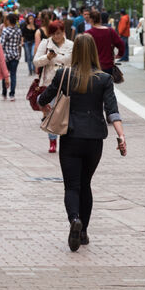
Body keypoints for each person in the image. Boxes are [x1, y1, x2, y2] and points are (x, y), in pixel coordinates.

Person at [37, 34, 126, 252]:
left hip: (71, 136)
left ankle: (74, 219)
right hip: (95, 138)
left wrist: (45, 107)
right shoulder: (104, 79)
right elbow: (112, 110)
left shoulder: (64, 74)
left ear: (75, 51)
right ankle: (84, 231)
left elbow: (42, 99)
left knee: (72, 186)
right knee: (86, 184)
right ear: (94, 52)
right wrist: (121, 136)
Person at [33, 19, 73, 154]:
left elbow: (74, 62)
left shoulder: (71, 45)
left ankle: (66, 139)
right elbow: (36, 62)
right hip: (50, 83)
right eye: (54, 33)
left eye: (59, 33)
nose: (57, 36)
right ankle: (52, 140)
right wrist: (48, 57)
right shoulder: (45, 44)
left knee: (66, 113)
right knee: (51, 113)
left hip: (67, 83)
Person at [85, 9, 125, 77]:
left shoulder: (88, 33)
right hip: (108, 65)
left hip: (92, 66)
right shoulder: (110, 31)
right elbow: (121, 44)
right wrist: (119, 54)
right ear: (100, 19)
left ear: (90, 20)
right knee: (107, 86)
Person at [0, 13, 23, 101]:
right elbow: (19, 43)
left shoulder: (6, 31)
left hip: (6, 56)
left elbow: (1, 44)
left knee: (5, 75)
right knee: (13, 75)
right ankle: (12, 94)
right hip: (15, 55)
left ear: (8, 20)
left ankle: (4, 93)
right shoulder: (19, 31)